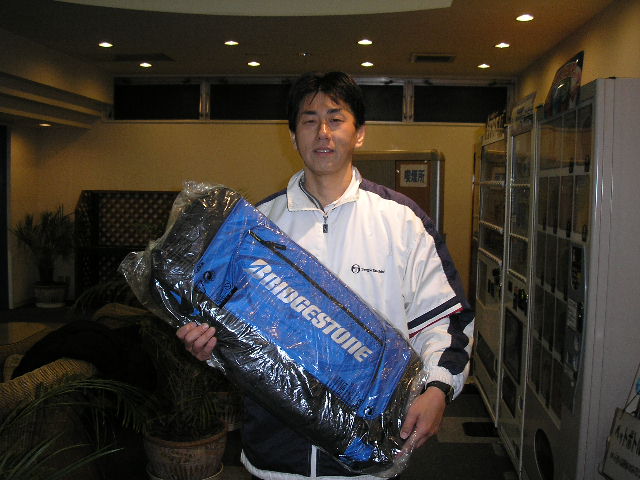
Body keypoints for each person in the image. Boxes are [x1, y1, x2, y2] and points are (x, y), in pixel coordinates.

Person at [177, 71, 474, 479]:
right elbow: (231, 325)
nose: (323, 133)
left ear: (359, 133)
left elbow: (445, 321)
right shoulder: (257, 226)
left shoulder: (403, 222)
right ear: (292, 135)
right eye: (309, 120)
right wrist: (209, 346)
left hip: (370, 453)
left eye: (336, 119)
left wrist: (438, 387)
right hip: (276, 453)